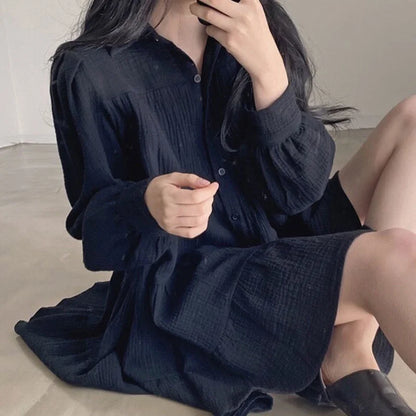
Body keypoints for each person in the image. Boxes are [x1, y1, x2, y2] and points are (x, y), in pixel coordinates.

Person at [14, 0, 416, 415]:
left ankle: (350, 344)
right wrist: (144, 204)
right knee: (388, 257)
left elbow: (300, 191)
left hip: (276, 232)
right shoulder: (91, 68)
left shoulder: (260, 26)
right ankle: (345, 343)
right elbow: (95, 228)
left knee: (414, 119)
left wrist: (269, 75)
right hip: (194, 279)